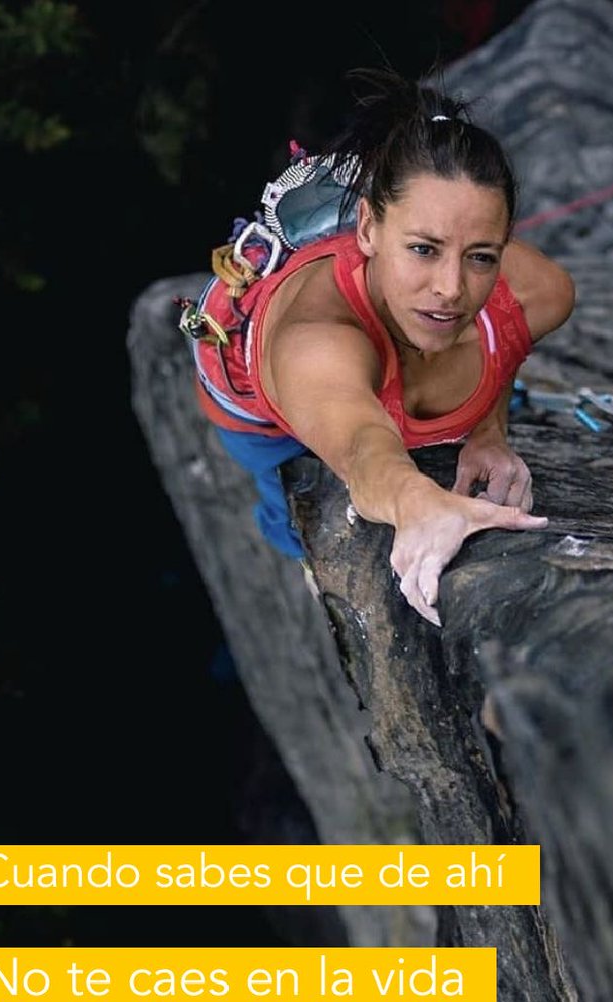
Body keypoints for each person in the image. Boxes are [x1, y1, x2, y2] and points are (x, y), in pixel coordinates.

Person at [192, 67, 576, 626]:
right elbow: (364, 448)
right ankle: (284, 537)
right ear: (367, 228)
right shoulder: (315, 343)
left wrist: (489, 433)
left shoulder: (539, 293)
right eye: (424, 249)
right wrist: (415, 503)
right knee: (294, 495)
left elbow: (508, 344)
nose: (451, 288)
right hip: (257, 406)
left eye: (482, 256)